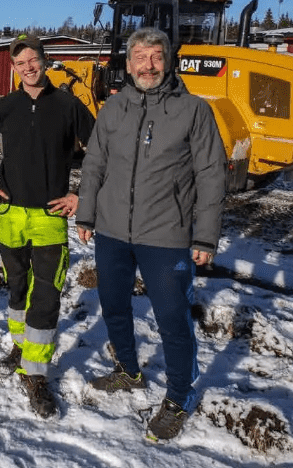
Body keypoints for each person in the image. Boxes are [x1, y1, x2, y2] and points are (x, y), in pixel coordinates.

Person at [75, 26, 225, 441]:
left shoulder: (193, 110)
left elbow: (211, 175)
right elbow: (94, 165)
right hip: (111, 230)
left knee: (172, 317)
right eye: (140, 56)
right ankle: (127, 368)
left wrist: (205, 236)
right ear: (128, 63)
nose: (148, 64)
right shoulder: (113, 108)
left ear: (169, 60)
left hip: (166, 234)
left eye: (156, 56)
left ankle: (179, 395)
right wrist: (86, 216)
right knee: (113, 305)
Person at [0, 35, 94, 418]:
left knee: (46, 294)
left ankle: (35, 373)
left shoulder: (68, 105)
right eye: (21, 62)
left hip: (49, 217)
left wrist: (81, 195)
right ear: (14, 67)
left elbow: (102, 152)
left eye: (34, 60)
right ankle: (21, 346)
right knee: (18, 287)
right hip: (10, 214)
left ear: (45, 61)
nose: (28, 67)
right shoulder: (6, 105)